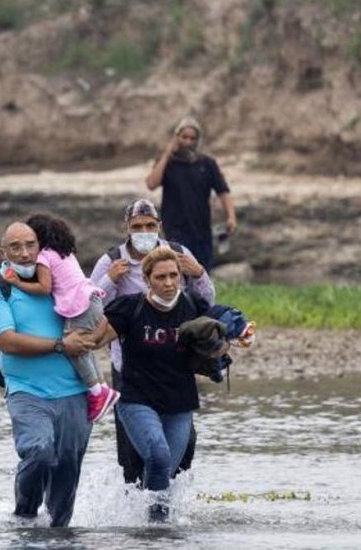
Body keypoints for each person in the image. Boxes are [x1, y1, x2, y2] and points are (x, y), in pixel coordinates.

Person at [0, 222, 95, 527]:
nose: (25, 253)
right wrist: (60, 345)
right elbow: (7, 341)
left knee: (68, 469)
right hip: (26, 390)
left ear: (41, 248)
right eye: (15, 247)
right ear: (3, 252)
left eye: (31, 245)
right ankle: (25, 516)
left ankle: (59, 536)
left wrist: (92, 337)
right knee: (39, 451)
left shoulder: (60, 282)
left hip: (74, 392)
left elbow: (95, 321)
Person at [84, 247, 214, 522]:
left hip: (179, 403)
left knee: (165, 471)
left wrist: (238, 336)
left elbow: (220, 328)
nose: (168, 283)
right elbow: (94, 340)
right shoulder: (130, 307)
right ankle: (155, 530)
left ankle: (146, 522)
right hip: (137, 399)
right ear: (146, 279)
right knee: (158, 454)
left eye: (173, 276)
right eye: (160, 277)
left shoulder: (190, 306)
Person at [91, 198, 215, 485]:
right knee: (135, 449)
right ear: (127, 228)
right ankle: (135, 504)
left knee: (181, 448)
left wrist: (197, 273)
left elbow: (204, 304)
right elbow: (88, 307)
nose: (144, 231)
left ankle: (165, 505)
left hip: (175, 362)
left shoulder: (179, 255)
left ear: (159, 225)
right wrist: (109, 280)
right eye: (137, 226)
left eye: (150, 225)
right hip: (130, 363)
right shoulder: (112, 261)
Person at [4, 213, 118, 423]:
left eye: (31, 241)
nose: (27, 250)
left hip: (81, 305)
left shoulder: (44, 257)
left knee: (74, 348)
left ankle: (96, 393)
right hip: (91, 299)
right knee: (82, 345)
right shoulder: (63, 252)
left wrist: (17, 283)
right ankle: (102, 388)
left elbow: (44, 287)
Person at [144, 116, 237, 271]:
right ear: (177, 137)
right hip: (175, 230)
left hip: (202, 230)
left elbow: (223, 191)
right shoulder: (168, 163)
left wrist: (231, 216)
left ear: (198, 140)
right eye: (184, 137)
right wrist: (166, 154)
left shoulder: (207, 164)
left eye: (192, 138)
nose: (188, 142)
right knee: (178, 274)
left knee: (202, 273)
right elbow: (151, 184)